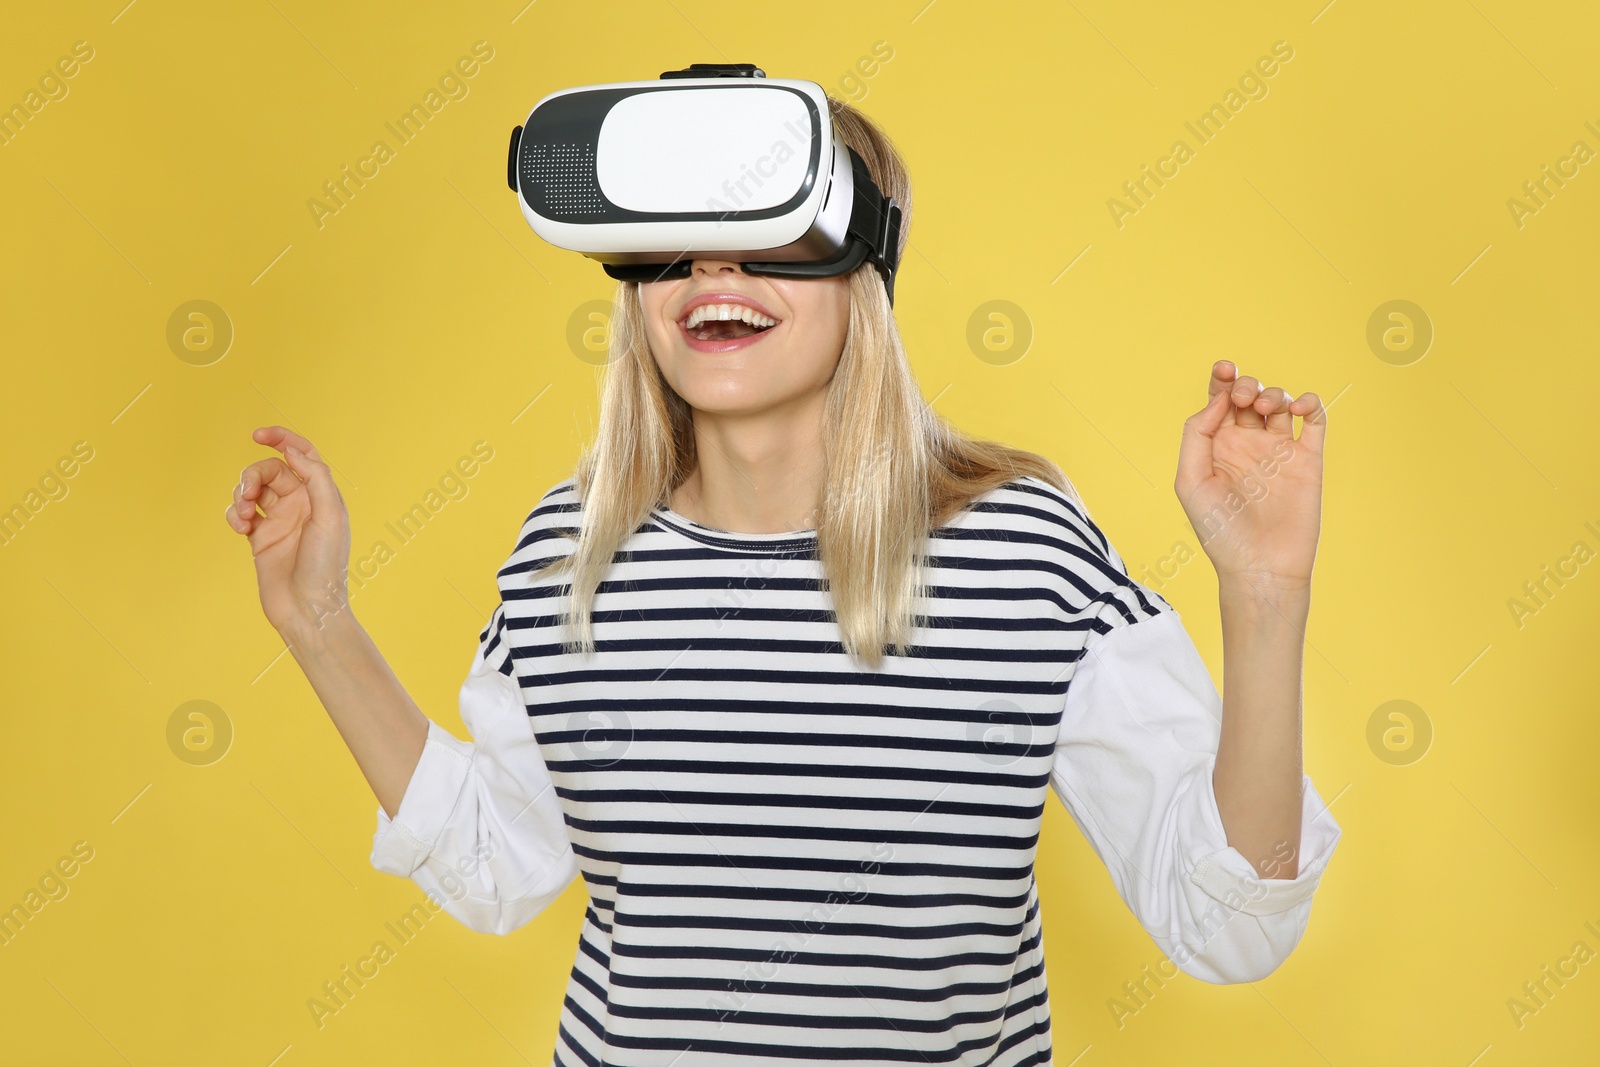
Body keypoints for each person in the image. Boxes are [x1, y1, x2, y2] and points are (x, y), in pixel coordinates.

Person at [226, 97, 1340, 1066]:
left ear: (863, 267)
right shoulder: (568, 559)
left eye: (769, 228)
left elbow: (1228, 921)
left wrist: (1262, 592)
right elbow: (494, 868)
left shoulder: (1022, 550)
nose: (717, 267)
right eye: (681, 236)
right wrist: (316, 619)